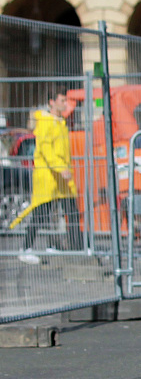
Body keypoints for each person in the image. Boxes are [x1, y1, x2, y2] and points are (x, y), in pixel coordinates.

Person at [12, 87, 82, 264]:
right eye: (62, 100)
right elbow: (45, 149)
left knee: (71, 211)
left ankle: (78, 248)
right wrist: (60, 168)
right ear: (52, 102)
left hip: (61, 179)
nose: (65, 104)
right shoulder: (45, 122)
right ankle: (25, 248)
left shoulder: (60, 122)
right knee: (41, 212)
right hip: (48, 177)